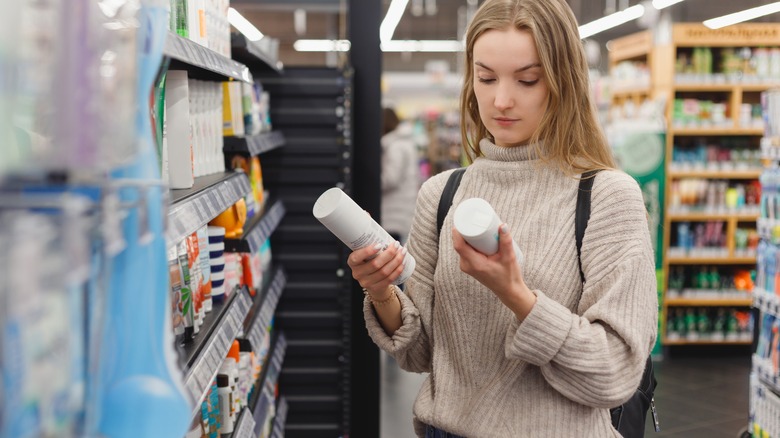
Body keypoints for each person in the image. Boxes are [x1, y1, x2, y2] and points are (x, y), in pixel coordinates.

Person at [348, 0, 658, 436]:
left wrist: (516, 295)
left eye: (527, 80)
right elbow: (419, 355)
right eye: (486, 77)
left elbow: (615, 373)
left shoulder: (607, 196)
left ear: (563, 82)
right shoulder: (441, 194)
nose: (501, 100)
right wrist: (382, 291)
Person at [381, 107, 420, 244]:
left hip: (393, 213)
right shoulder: (403, 143)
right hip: (401, 209)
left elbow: (391, 178)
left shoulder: (395, 146)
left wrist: (370, 182)